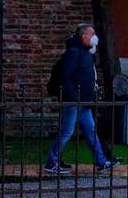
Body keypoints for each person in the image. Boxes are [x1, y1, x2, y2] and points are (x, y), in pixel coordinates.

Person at [44, 24, 119, 175]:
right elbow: (65, 77)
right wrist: (74, 97)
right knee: (66, 131)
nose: (95, 37)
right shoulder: (74, 53)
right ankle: (52, 162)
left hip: (84, 101)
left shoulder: (87, 53)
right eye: (92, 34)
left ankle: (101, 162)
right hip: (73, 101)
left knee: (91, 131)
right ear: (84, 36)